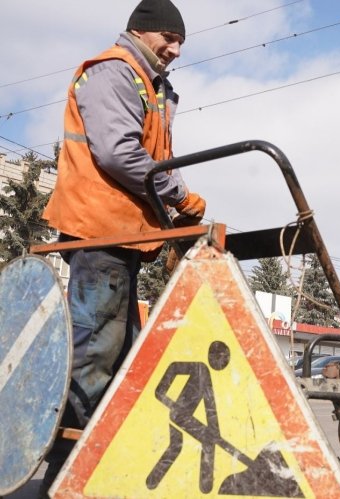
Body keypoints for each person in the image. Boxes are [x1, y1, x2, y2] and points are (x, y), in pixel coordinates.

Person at [39, 0, 204, 494]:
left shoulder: (149, 83)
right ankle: (66, 478)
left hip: (122, 236)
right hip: (100, 233)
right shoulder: (115, 73)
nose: (175, 50)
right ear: (142, 30)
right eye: (169, 39)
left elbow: (146, 155)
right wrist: (178, 194)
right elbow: (118, 153)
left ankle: (94, 471)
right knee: (93, 360)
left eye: (180, 43)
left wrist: (171, 208)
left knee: (121, 357)